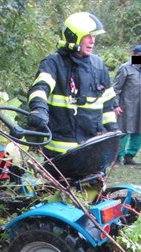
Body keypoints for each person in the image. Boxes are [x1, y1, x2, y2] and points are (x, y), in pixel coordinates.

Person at [26, 12, 118, 158]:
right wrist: (39, 109)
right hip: (59, 154)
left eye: (94, 37)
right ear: (73, 36)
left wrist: (113, 132)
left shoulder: (99, 66)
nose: (92, 41)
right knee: (57, 182)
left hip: (91, 150)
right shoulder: (53, 63)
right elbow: (40, 88)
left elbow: (108, 105)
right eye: (88, 36)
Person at [113, 44, 141, 165]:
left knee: (138, 131)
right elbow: (116, 88)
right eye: (140, 56)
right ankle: (118, 157)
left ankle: (130, 156)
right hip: (126, 105)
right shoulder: (125, 68)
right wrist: (116, 105)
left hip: (140, 106)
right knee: (123, 131)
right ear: (134, 54)